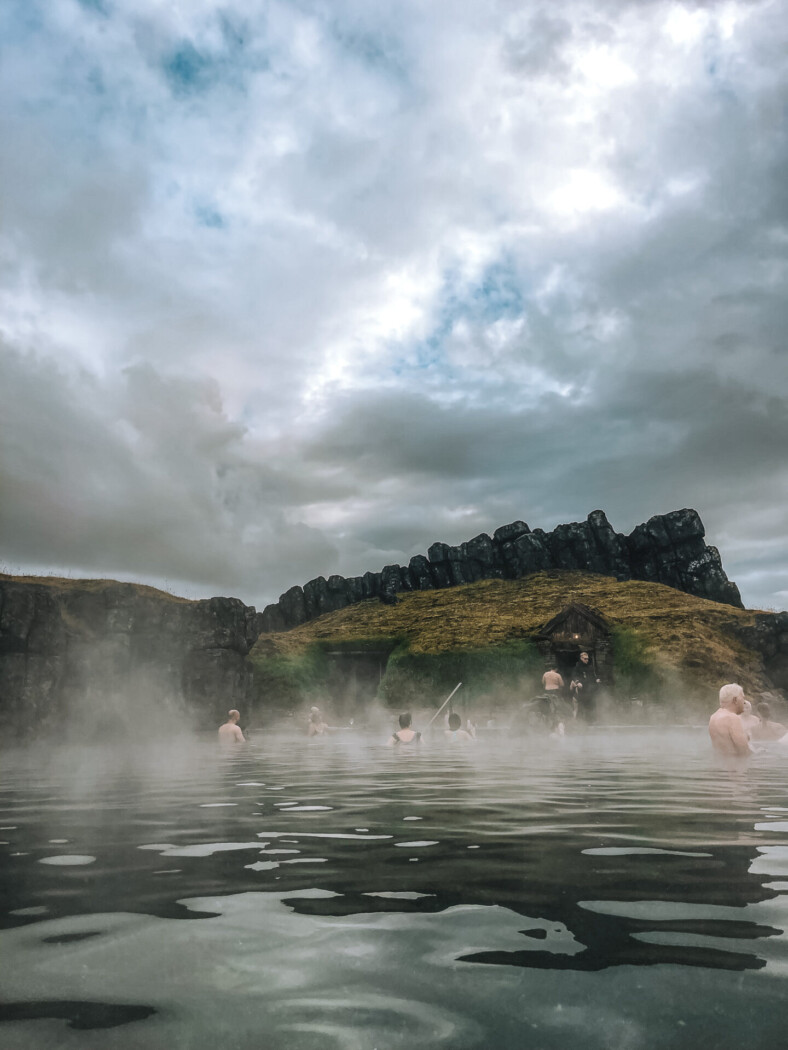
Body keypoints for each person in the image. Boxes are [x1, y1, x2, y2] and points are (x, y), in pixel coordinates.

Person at [708, 684, 751, 757]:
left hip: (721, 763)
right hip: (734, 766)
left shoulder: (713, 717)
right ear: (735, 700)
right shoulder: (732, 718)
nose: (744, 702)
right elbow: (744, 750)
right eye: (743, 698)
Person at [570, 652, 600, 722]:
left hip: (590, 690)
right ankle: (582, 721)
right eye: (585, 659)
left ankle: (592, 721)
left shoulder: (590, 667)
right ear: (581, 658)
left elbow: (593, 676)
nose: (587, 660)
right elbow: (574, 676)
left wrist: (596, 680)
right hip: (582, 690)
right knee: (582, 705)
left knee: (592, 705)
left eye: (587, 659)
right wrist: (578, 682)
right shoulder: (577, 667)